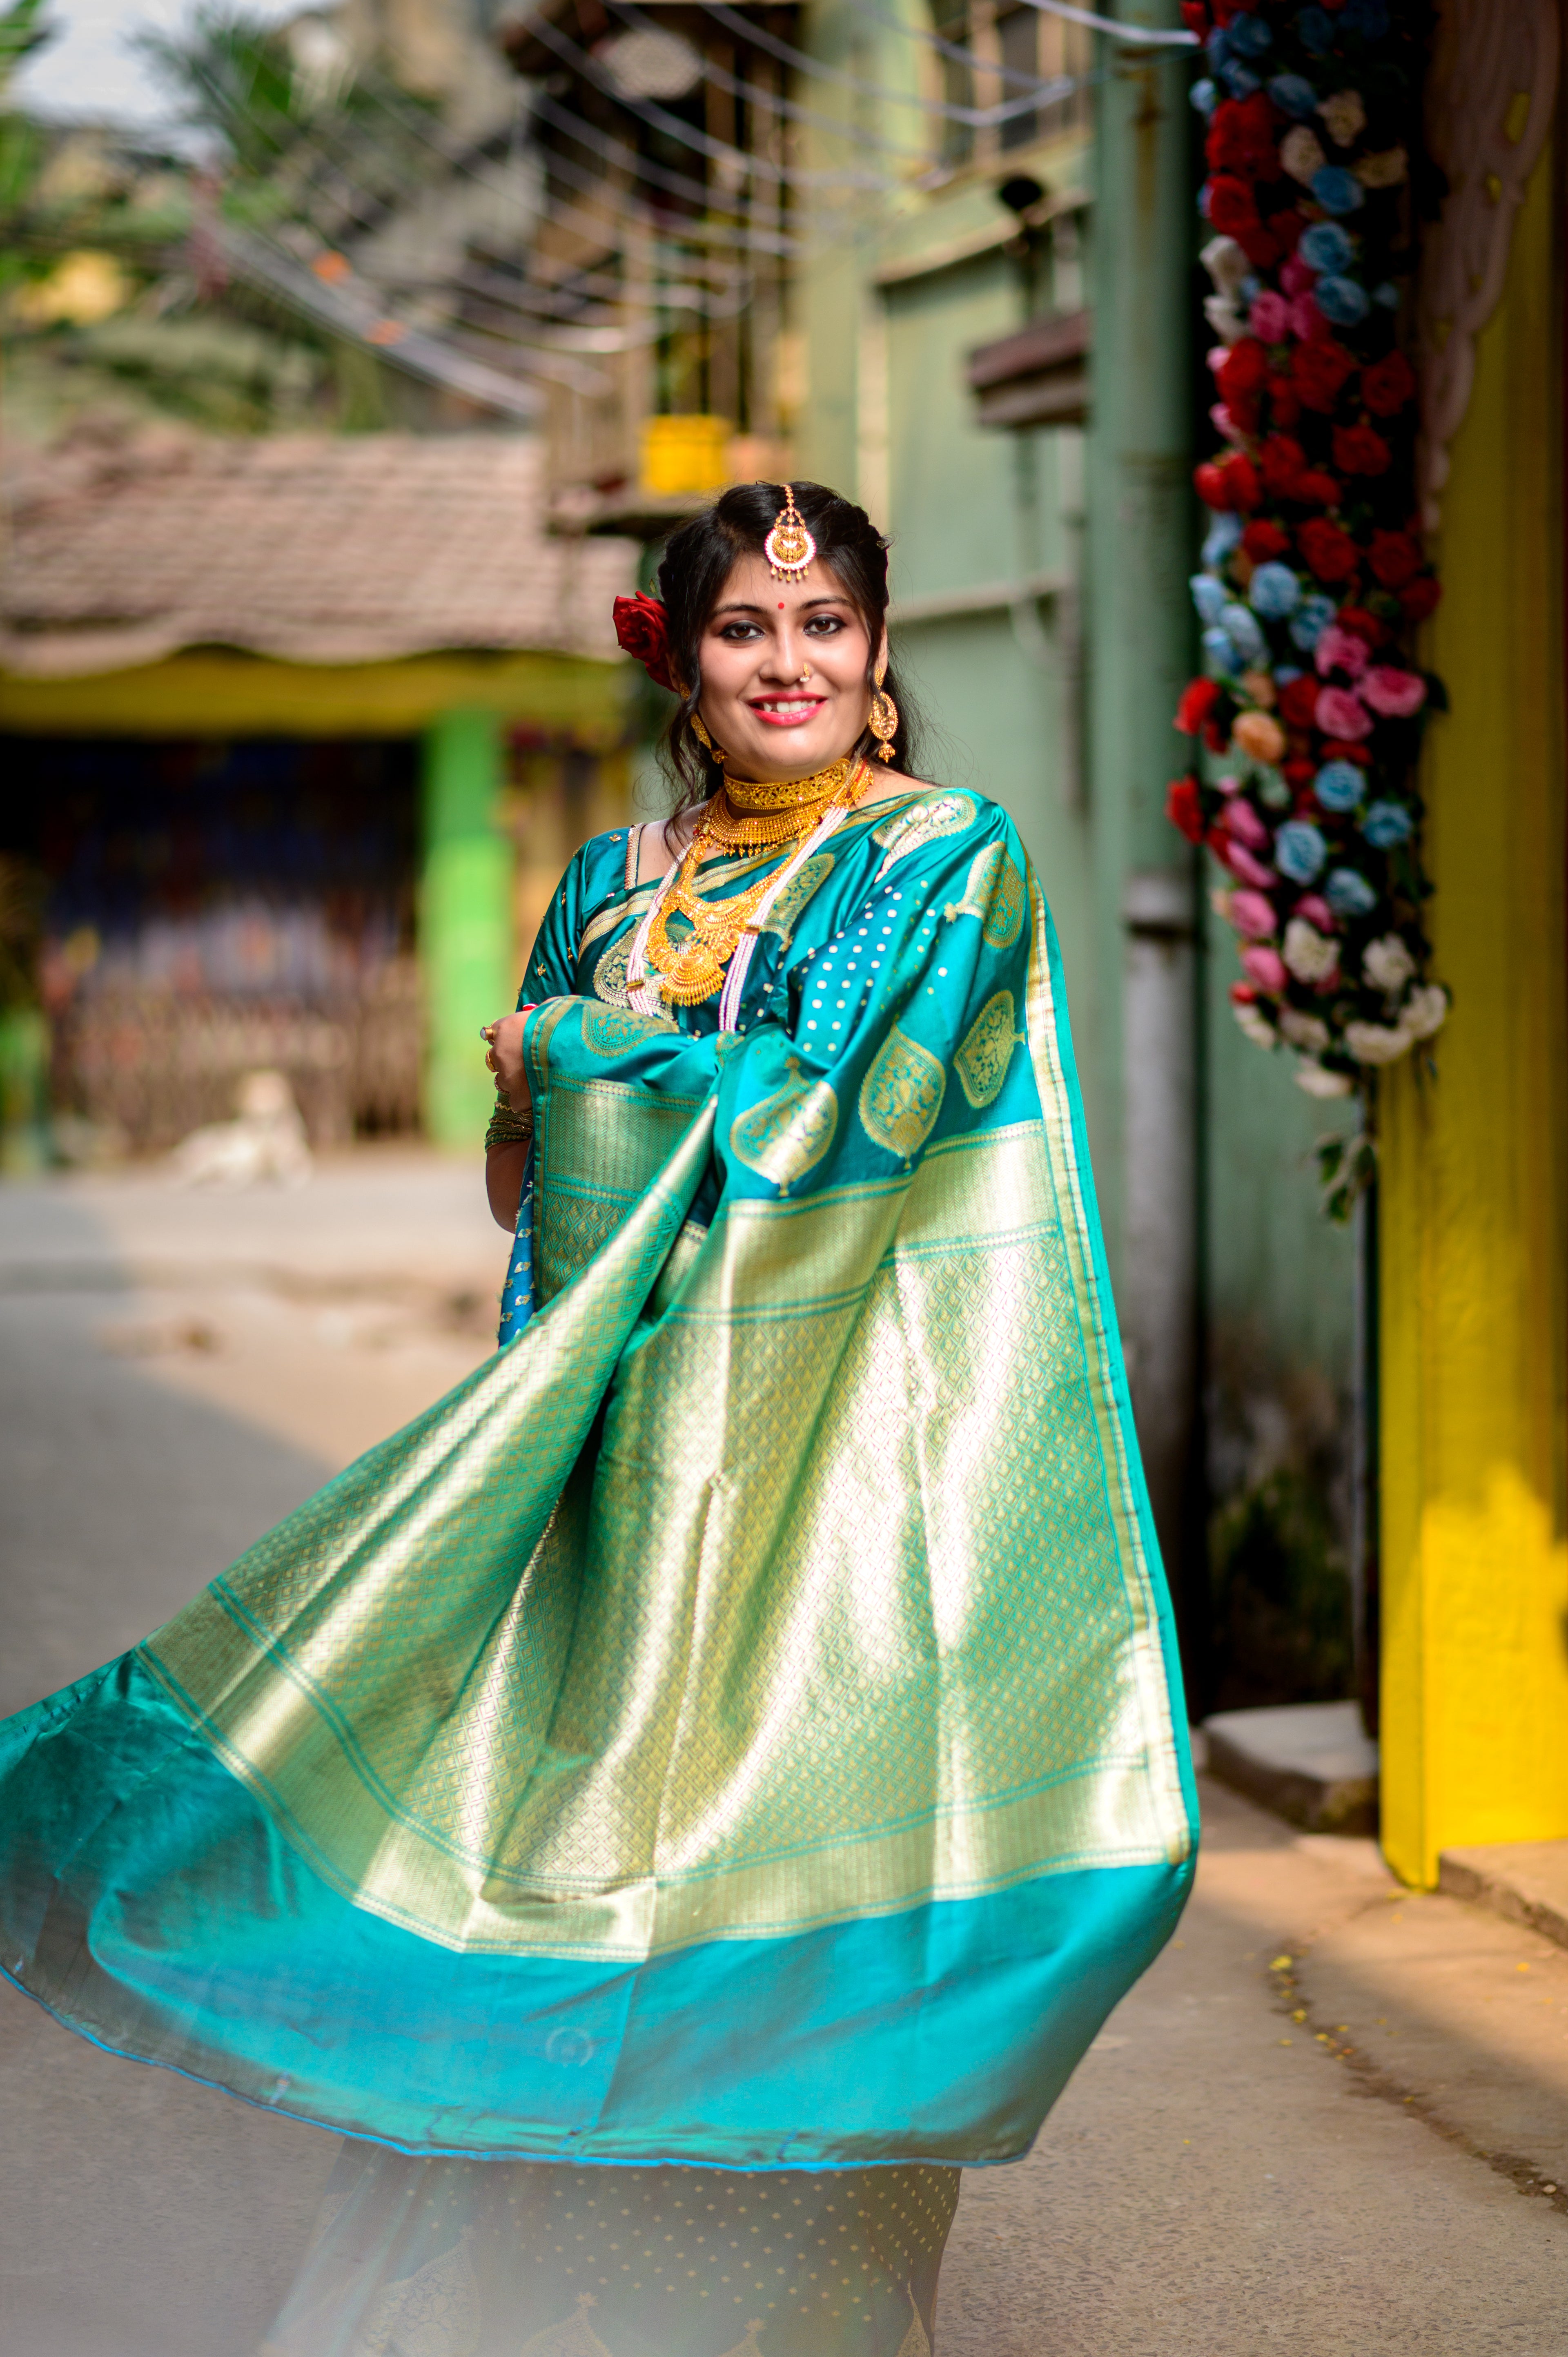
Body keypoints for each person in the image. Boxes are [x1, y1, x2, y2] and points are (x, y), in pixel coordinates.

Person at [0, 483, 1196, 2357]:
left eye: (824, 627)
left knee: (789, 1898)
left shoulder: (945, 861)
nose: (788, 664)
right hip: (611, 1488)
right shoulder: (606, 890)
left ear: (880, 654)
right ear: (682, 662)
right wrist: (537, 1094)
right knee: (539, 1900)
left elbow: (829, 1133)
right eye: (744, 630)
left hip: (831, 1486)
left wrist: (565, 1052)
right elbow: (523, 1199)